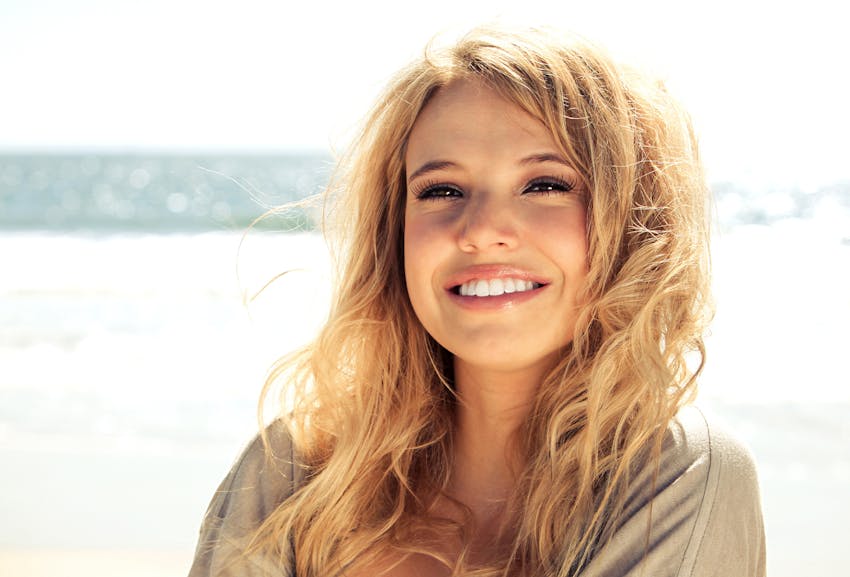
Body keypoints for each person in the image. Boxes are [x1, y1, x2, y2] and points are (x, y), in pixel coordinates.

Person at [189, 25, 766, 577]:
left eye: (545, 184)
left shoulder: (681, 474)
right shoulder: (297, 470)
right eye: (442, 190)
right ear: (394, 233)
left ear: (633, 223)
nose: (482, 229)